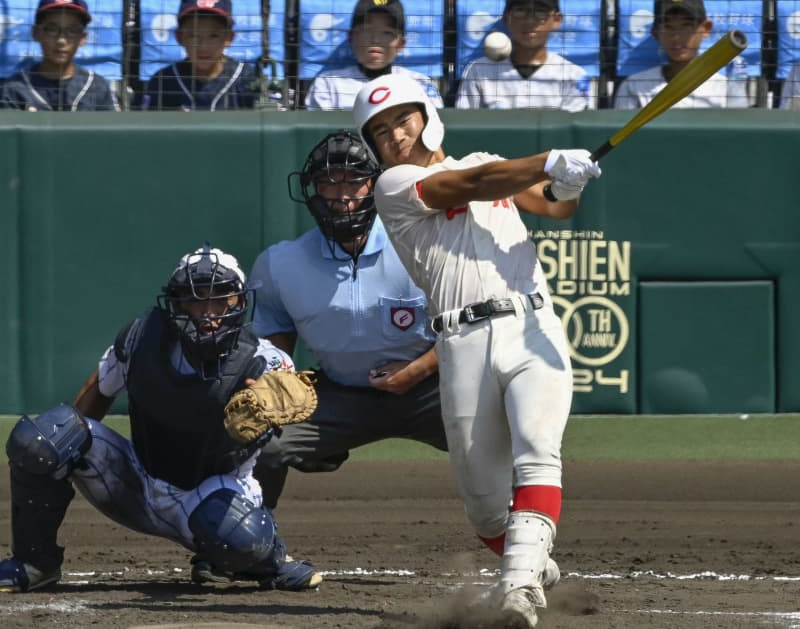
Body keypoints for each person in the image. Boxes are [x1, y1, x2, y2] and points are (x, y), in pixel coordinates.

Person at [352, 72, 601, 627]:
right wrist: (548, 160)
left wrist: (566, 185)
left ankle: (518, 595)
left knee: (538, 448)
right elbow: (469, 184)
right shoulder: (393, 188)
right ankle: (535, 563)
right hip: (460, 341)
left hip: (531, 325)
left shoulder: (489, 163)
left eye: (402, 118)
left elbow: (553, 206)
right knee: (486, 508)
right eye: (380, 131)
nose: (394, 135)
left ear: (427, 113)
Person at [0, 245, 321, 593]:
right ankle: (34, 563)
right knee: (45, 437)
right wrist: (61, 452)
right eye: (195, 300)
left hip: (211, 497)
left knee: (239, 536)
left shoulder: (261, 359)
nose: (207, 313)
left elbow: (286, 384)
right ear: (176, 304)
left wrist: (274, 394)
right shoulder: (141, 339)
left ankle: (269, 560)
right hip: (136, 479)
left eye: (219, 299)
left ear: (238, 303)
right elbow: (96, 393)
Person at [246, 130, 448, 511]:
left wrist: (419, 369)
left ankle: (523, 537)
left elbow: (465, 327)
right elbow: (276, 339)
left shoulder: (423, 245)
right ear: (312, 189)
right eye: (328, 182)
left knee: (499, 433)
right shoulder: (282, 262)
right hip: (339, 395)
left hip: (432, 391)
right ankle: (244, 544)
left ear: (374, 184)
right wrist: (274, 380)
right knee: (259, 435)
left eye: (354, 181)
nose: (341, 194)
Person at [455, 0, 591, 111]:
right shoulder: (478, 71)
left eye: (540, 12)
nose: (530, 21)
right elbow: (463, 127)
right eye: (520, 11)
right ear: (506, 18)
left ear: (556, 20)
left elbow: (577, 131)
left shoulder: (573, 76)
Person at [613, 0, 748, 109]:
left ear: (706, 29)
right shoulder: (634, 87)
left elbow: (739, 132)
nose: (677, 37)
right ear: (656, 33)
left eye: (686, 26)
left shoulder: (724, 88)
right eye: (668, 27)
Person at [304, 0, 444, 111]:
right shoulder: (328, 84)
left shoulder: (420, 84)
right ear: (351, 37)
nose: (376, 39)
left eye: (387, 33)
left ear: (401, 44)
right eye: (367, 31)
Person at [0, 0, 120, 111]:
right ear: (36, 33)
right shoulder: (15, 88)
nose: (61, 40)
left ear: (83, 38)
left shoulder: (97, 87)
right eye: (52, 29)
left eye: (72, 31)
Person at [141, 0, 260, 111]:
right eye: (194, 36)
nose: (204, 46)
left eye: (213, 36)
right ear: (180, 37)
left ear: (229, 38)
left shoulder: (246, 79)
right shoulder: (163, 81)